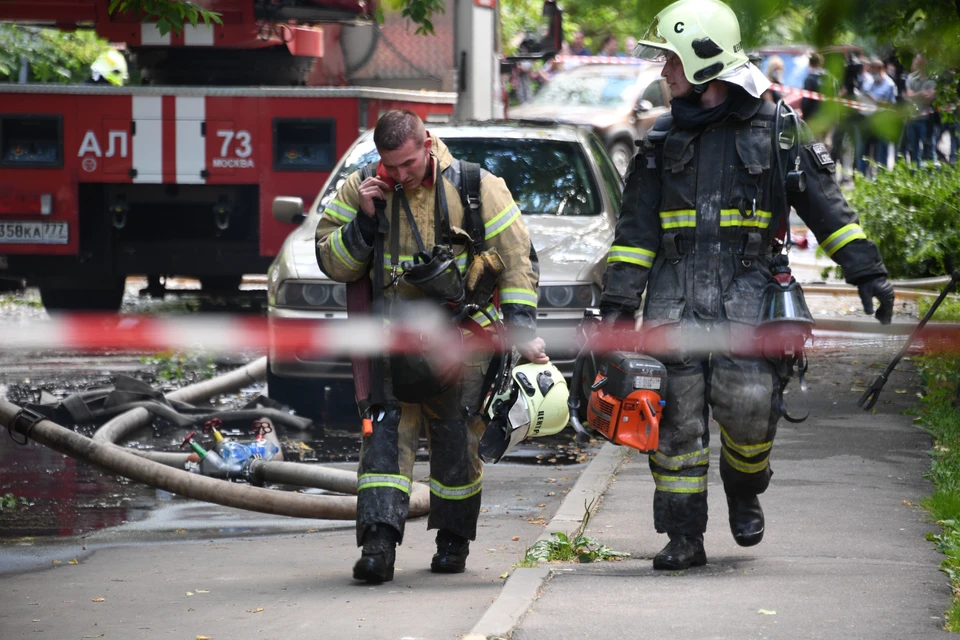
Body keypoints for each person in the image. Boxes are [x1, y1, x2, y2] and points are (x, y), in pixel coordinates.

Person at [602, 0, 895, 571]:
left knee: (749, 409)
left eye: (671, 61)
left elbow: (825, 205)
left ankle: (744, 485)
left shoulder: (777, 129)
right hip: (675, 297)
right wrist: (617, 304)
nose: (663, 73)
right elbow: (635, 231)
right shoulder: (661, 138)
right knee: (676, 422)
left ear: (702, 60)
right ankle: (684, 536)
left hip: (749, 294)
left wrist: (868, 272)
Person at [315, 110, 547, 583]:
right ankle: (378, 546)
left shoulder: (478, 187)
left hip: (462, 343)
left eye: (407, 164)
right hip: (390, 342)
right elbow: (331, 261)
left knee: (459, 444)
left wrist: (520, 329)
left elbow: (518, 263)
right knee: (383, 443)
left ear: (427, 143)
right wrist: (362, 223)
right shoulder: (360, 188)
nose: (399, 175)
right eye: (389, 165)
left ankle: (453, 542)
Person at [860, 57, 898, 172]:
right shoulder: (868, 83)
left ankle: (882, 178)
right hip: (867, 122)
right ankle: (862, 177)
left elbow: (891, 105)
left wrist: (874, 100)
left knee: (881, 153)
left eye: (874, 70)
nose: (871, 72)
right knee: (864, 152)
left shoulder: (889, 85)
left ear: (881, 69)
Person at [904, 53, 939, 167]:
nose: (917, 62)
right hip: (912, 118)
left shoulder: (932, 78)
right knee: (914, 150)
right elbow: (909, 95)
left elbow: (930, 98)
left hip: (927, 119)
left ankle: (928, 175)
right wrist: (921, 93)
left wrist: (916, 95)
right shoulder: (911, 78)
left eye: (919, 60)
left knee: (928, 148)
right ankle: (915, 175)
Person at [800, 52, 827, 122]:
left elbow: (806, 102)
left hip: (814, 120)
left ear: (809, 64)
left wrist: (805, 118)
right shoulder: (830, 79)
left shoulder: (810, 79)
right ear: (821, 64)